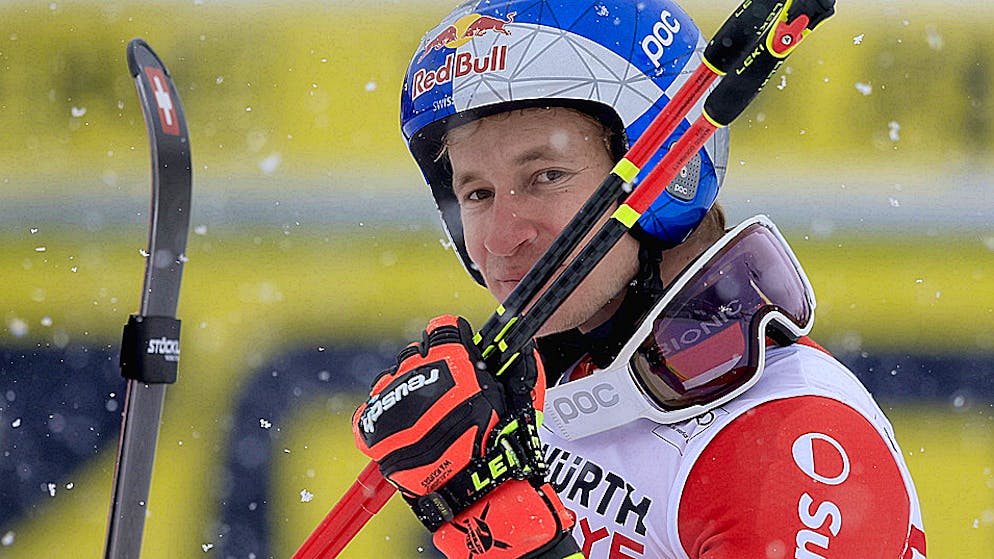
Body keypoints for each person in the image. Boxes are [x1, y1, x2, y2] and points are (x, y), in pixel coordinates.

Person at [352, 1, 927, 558]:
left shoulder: (785, 439)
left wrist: (519, 540)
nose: (502, 238)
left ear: (672, 177)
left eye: (546, 176)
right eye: (477, 193)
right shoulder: (537, 400)